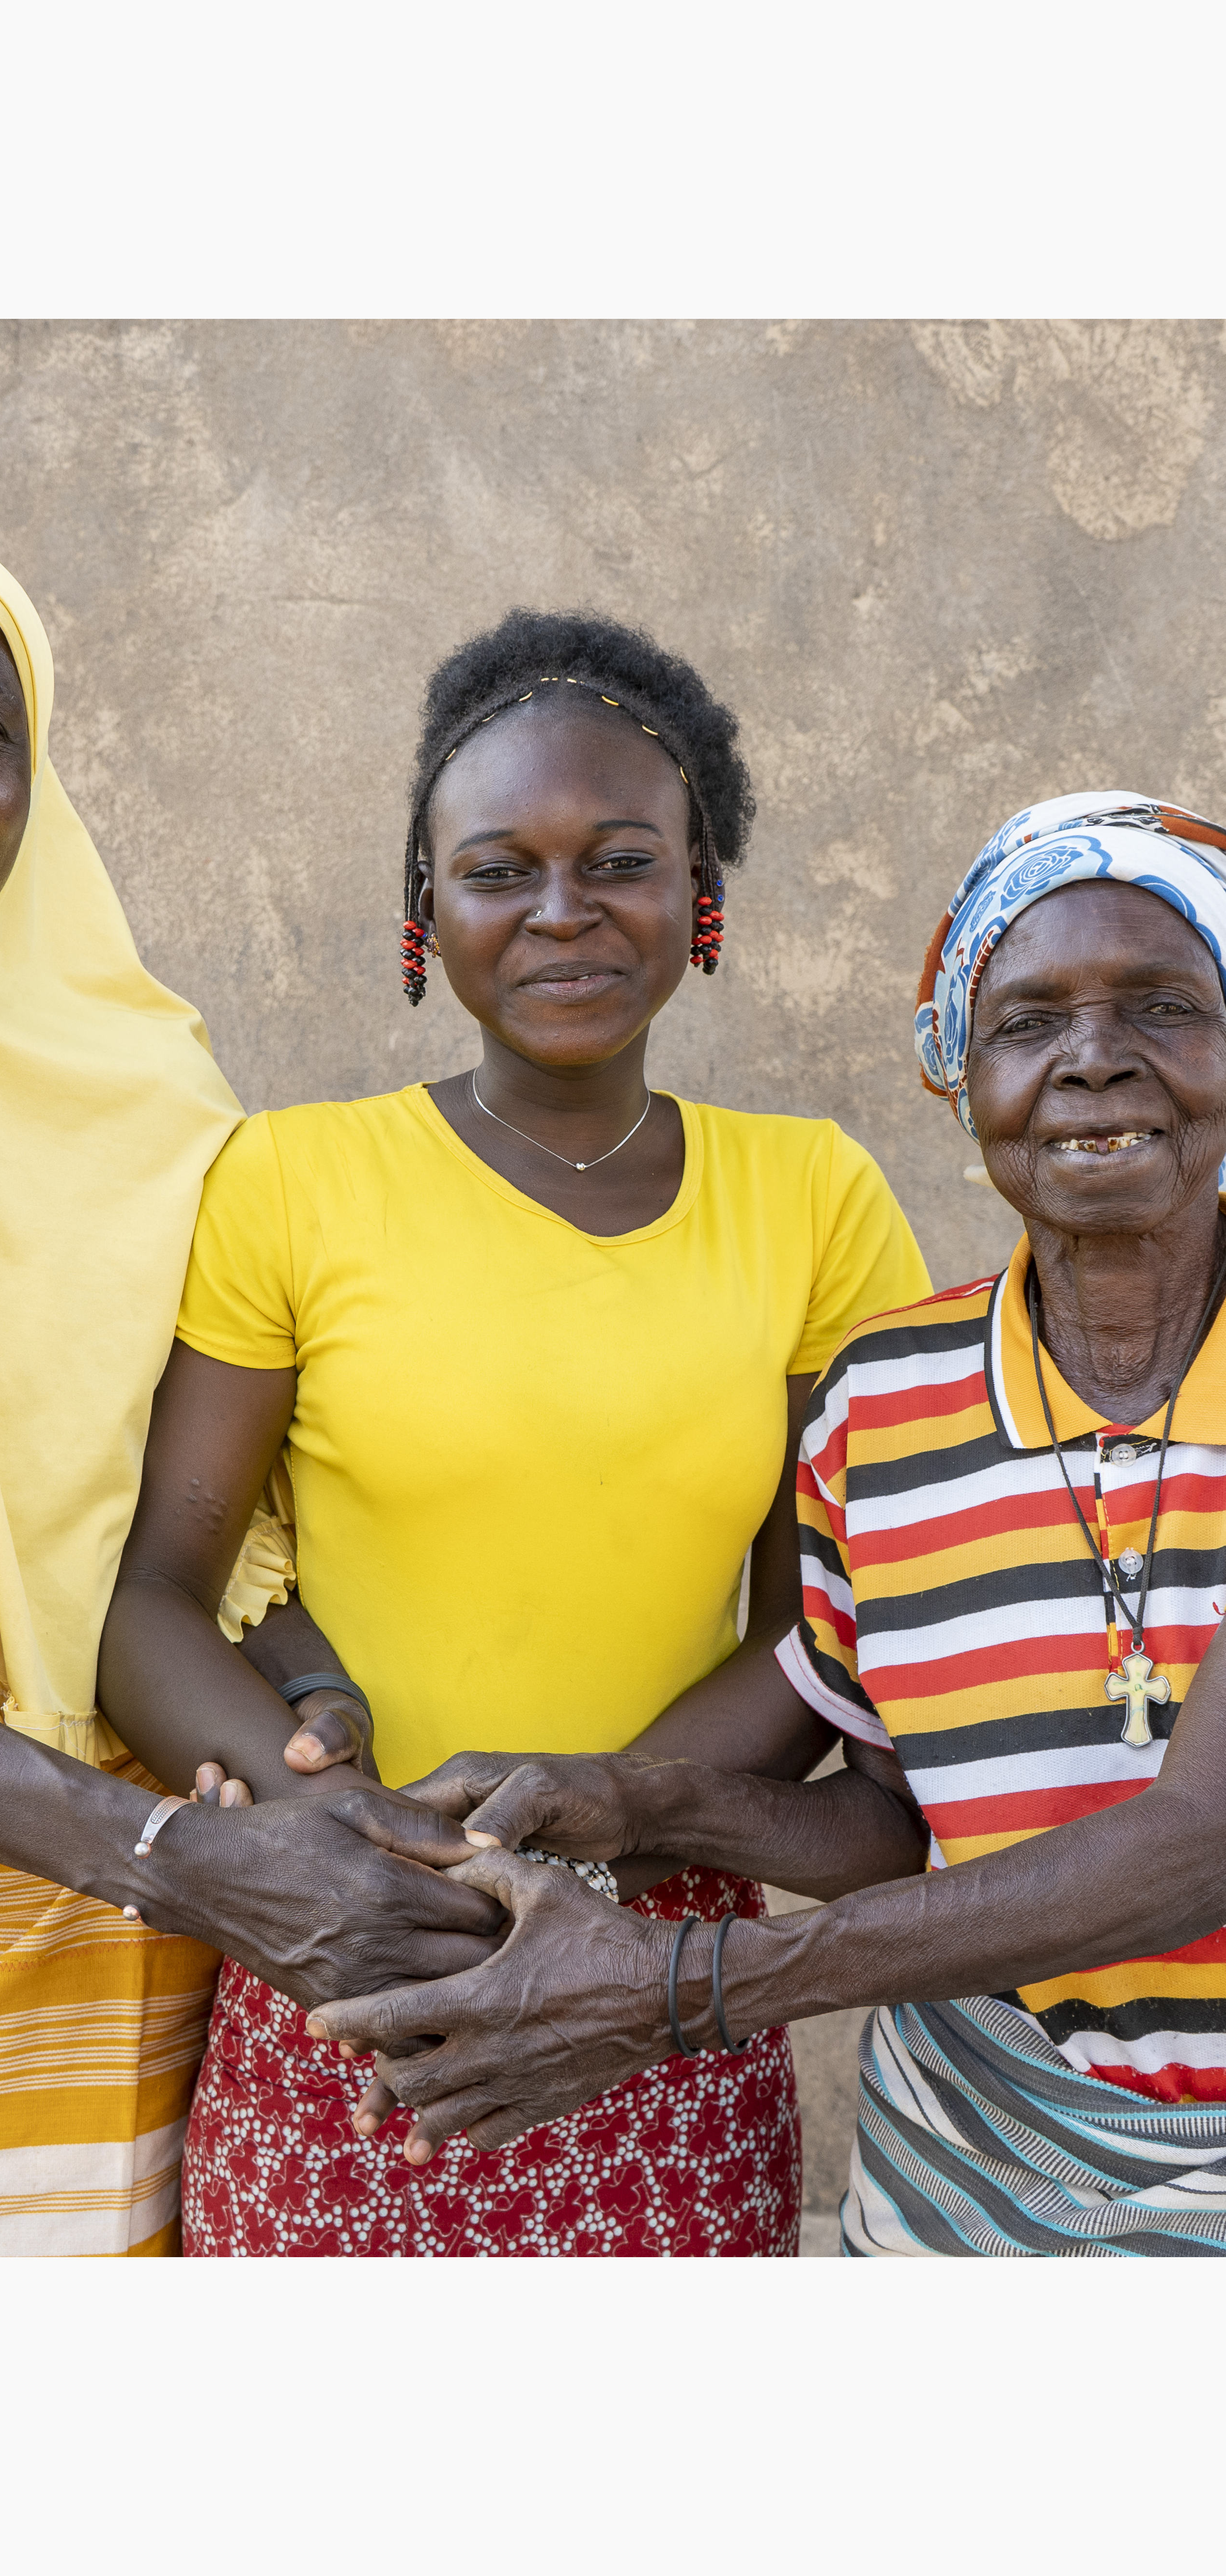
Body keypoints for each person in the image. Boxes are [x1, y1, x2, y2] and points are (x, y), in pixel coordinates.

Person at [97, 608, 931, 2257]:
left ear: (700, 893)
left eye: (619, 859)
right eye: (501, 869)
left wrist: (602, 1810)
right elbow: (156, 1597)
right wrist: (359, 1844)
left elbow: (819, 1629)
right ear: (428, 910)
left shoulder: (815, 1197)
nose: (564, 911)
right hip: (343, 1953)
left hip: (658, 1974)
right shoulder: (292, 1180)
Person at [310, 790, 1226, 2258]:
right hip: (962, 2181)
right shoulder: (891, 1403)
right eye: (1027, 1020)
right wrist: (630, 1801)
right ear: (959, 1072)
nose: (1094, 1059)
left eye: (1163, 1007)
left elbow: (1198, 1842)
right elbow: (884, 1820)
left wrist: (684, 1983)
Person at [0, 518, 495, 2255]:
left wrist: (304, 1692)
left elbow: (185, 1518)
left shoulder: (146, 1088)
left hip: (141, 1969)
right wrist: (168, 1850)